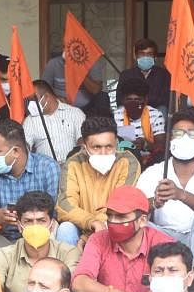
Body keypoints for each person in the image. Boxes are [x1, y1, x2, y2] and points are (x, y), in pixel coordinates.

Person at [71, 186, 175, 292]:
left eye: (121, 217)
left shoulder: (164, 244)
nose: (113, 222)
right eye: (110, 216)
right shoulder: (99, 239)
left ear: (142, 220)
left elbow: (172, 286)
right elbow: (79, 282)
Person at [135, 108, 194, 255]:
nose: (184, 138)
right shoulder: (153, 172)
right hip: (162, 237)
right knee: (139, 225)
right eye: (178, 133)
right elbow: (135, 210)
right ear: (170, 140)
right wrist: (154, 202)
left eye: (192, 134)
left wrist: (181, 195)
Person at [0, 119, 61, 253]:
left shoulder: (48, 168)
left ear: (15, 151)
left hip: (39, 238)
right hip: (4, 242)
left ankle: (43, 270)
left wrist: (30, 219)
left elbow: (55, 213)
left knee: (56, 226)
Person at [0, 191, 82, 292]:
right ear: (19, 225)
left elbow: (69, 289)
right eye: (28, 221)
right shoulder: (5, 255)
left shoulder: (68, 253)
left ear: (52, 225)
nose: (35, 227)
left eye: (41, 220)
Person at [56, 116, 142, 247]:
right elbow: (65, 205)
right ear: (84, 147)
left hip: (115, 224)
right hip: (82, 225)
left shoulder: (128, 162)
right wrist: (92, 223)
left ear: (116, 144)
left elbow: (120, 205)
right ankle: (70, 266)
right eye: (96, 147)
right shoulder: (74, 163)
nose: (103, 153)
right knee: (65, 229)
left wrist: (88, 237)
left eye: (109, 146)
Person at [22, 79, 85, 162]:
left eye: (33, 99)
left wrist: (74, 163)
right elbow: (24, 147)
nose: (30, 104)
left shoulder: (75, 113)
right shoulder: (30, 120)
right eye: (28, 100)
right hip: (45, 169)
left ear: (46, 97)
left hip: (72, 167)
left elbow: (83, 141)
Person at [114, 74, 166, 167]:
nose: (133, 103)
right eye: (129, 100)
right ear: (123, 101)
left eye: (137, 100)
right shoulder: (116, 115)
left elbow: (161, 146)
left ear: (145, 100)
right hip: (123, 160)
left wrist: (145, 144)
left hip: (150, 160)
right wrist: (125, 145)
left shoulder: (155, 115)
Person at [42, 43, 104, 112]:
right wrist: (57, 99)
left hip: (87, 108)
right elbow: (44, 89)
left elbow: (96, 90)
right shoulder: (53, 63)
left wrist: (79, 70)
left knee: (103, 98)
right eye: (65, 47)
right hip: (60, 107)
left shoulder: (92, 63)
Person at [119, 38, 171, 113]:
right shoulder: (126, 75)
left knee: (163, 109)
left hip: (155, 113)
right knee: (121, 109)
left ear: (155, 57)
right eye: (142, 54)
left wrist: (145, 107)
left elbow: (165, 100)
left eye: (149, 54)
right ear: (135, 56)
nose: (145, 57)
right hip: (131, 110)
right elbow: (120, 99)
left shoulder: (163, 75)